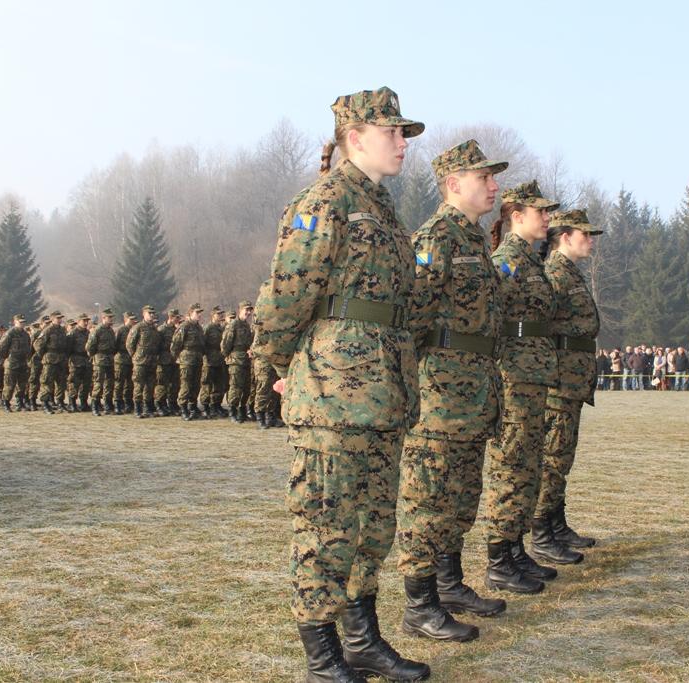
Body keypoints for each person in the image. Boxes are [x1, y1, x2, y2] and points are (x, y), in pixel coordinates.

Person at [253, 86, 429, 682]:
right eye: (392, 133)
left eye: (404, 134)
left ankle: (362, 640)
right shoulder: (325, 200)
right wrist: (277, 367)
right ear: (355, 138)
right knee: (326, 523)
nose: (403, 144)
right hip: (332, 393)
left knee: (373, 525)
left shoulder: (380, 207)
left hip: (381, 394)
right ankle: (323, 659)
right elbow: (287, 292)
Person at [394, 140, 509, 644]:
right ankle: (419, 605)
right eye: (484, 177)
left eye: (494, 177)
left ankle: (448, 585)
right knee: (429, 499)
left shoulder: (476, 239)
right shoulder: (436, 237)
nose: (494, 186)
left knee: (461, 497)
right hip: (441, 394)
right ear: (453, 182)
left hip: (474, 391)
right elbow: (412, 317)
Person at [482, 179, 561, 596]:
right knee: (510, 464)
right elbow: (491, 313)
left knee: (528, 464)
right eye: (541, 212)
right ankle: (498, 556)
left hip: (533, 376)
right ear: (517, 217)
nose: (547, 219)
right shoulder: (507, 261)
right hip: (514, 377)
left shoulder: (530, 261)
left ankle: (513, 548)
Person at [535, 209, 604, 564]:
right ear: (565, 237)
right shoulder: (554, 275)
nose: (590, 241)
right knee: (552, 457)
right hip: (559, 382)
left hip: (572, 381)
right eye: (585, 234)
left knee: (562, 456)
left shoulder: (569, 273)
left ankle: (556, 523)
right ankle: (542, 531)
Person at [171, 303, 206, 421]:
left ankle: (192, 406)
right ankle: (183, 407)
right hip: (186, 360)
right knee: (186, 384)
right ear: (190, 314)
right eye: (197, 313)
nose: (199, 315)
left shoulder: (199, 327)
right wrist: (177, 358)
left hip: (197, 359)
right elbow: (175, 344)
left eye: (200, 313)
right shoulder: (184, 326)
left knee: (196, 385)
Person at [222, 300, 255, 423]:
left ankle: (242, 412)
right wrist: (229, 357)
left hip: (246, 359)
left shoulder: (246, 325)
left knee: (246, 387)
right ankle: (232, 411)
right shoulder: (233, 324)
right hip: (235, 360)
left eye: (249, 310)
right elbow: (225, 344)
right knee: (235, 387)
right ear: (240, 310)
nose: (248, 312)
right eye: (246, 310)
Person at [126, 305, 162, 418]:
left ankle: (147, 408)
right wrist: (135, 356)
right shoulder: (138, 327)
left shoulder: (154, 329)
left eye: (153, 314)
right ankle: (137, 409)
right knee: (138, 385)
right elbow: (129, 344)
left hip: (151, 362)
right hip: (140, 362)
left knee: (150, 386)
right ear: (143, 314)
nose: (151, 315)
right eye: (149, 313)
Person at [86, 308, 118, 416]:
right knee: (98, 382)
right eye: (109, 317)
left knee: (109, 383)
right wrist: (94, 356)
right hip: (100, 359)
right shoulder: (97, 330)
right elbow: (90, 346)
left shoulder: (110, 330)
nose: (111, 319)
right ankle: (95, 404)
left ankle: (107, 405)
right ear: (103, 318)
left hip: (109, 359)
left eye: (111, 317)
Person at [0, 314, 33, 412]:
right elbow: (1, 347)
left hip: (22, 362)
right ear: (15, 322)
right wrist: (6, 358)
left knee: (22, 385)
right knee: (9, 385)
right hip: (12, 362)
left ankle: (20, 403)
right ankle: (6, 403)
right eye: (20, 322)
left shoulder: (25, 334)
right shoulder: (10, 333)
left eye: (23, 322)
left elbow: (28, 346)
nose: (22, 324)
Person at [200, 306, 227, 418]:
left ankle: (216, 405)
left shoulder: (221, 328)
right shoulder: (208, 328)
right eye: (218, 314)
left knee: (218, 385)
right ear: (213, 315)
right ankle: (205, 406)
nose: (220, 316)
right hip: (209, 360)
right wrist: (206, 356)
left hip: (219, 360)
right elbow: (203, 344)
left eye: (221, 314)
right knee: (207, 384)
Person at [155, 308, 182, 417]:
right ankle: (160, 404)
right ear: (171, 318)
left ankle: (172, 403)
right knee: (162, 384)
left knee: (175, 384)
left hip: (175, 360)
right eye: (176, 317)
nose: (178, 319)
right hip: (163, 360)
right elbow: (157, 345)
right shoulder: (161, 330)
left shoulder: (178, 329)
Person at [68, 313, 92, 412]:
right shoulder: (73, 333)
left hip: (86, 361)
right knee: (74, 383)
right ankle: (72, 403)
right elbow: (68, 348)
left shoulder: (88, 333)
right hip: (76, 360)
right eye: (84, 321)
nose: (86, 323)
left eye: (87, 321)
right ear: (78, 321)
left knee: (86, 383)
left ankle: (83, 402)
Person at [114, 311, 136, 415]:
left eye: (133, 319)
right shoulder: (121, 330)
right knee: (119, 382)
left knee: (129, 383)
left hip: (131, 359)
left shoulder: (135, 329)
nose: (133, 321)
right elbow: (116, 344)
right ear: (125, 319)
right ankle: (118, 403)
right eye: (131, 319)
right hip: (121, 359)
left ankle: (128, 403)